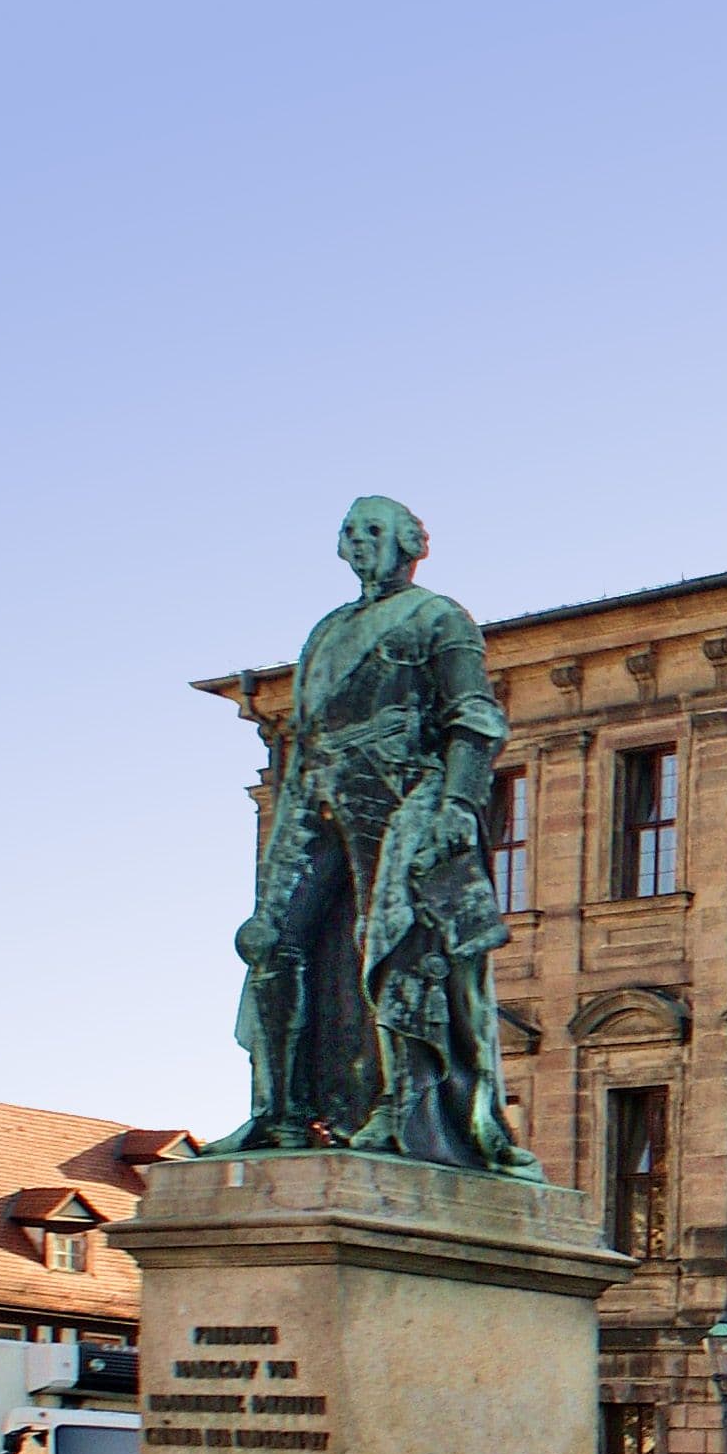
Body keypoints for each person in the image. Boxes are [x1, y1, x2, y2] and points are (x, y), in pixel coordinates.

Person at [218, 496, 538, 1173]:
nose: (359, 542)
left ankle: (403, 1105)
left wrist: (455, 804)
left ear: (407, 543)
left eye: (372, 531)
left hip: (401, 788)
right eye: (350, 531)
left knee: (388, 937)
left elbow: (475, 719)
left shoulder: (438, 617)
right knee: (269, 939)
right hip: (317, 787)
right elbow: (303, 734)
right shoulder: (328, 629)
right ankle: (281, 1110)